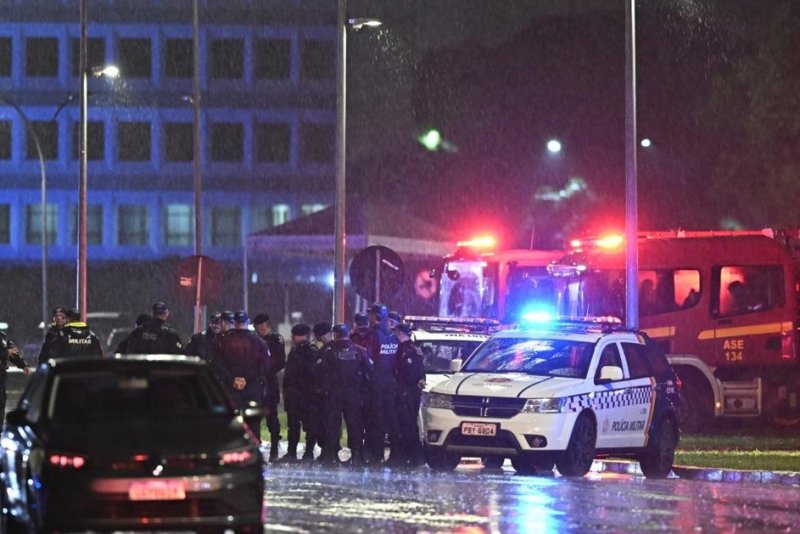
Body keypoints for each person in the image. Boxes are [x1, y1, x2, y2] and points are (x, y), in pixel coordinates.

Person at [319, 324, 372, 466]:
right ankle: (356, 456)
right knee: (355, 425)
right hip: (354, 394)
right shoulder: (360, 351)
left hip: (334, 394)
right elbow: (370, 370)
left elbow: (318, 371)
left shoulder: (329, 351)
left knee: (333, 425)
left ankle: (331, 456)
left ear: (335, 335)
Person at [214, 311, 271, 442]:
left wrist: (232, 379)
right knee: (253, 422)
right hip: (252, 387)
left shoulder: (223, 341)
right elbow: (264, 366)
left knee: (230, 420)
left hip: (230, 387)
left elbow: (217, 365)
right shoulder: (259, 341)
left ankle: (231, 451)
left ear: (234, 322)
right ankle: (253, 451)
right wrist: (248, 379)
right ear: (247, 322)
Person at [362, 303, 399, 465]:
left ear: (374, 317)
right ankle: (396, 455)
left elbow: (366, 357)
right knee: (389, 419)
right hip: (390, 383)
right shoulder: (393, 334)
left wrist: (369, 373)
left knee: (374, 420)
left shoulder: (372, 335)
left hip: (375, 384)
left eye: (370, 314)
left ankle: (375, 455)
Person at [390, 322, 426, 467]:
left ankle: (410, 457)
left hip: (407, 394)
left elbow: (410, 374)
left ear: (400, 333)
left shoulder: (407, 351)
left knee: (406, 426)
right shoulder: (414, 348)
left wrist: (403, 391)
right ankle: (410, 457)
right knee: (408, 425)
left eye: (396, 333)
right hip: (408, 394)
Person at [253, 313, 286, 462]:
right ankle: (255, 449)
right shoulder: (253, 339)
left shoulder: (275, 339)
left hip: (269, 381)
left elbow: (279, 361)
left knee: (271, 416)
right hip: (255, 381)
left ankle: (274, 449)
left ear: (265, 325)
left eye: (260, 326)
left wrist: (264, 370)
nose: (258, 329)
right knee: (254, 417)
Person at [280, 323, 315, 463]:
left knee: (308, 426)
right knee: (294, 426)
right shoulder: (295, 351)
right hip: (295, 395)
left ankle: (307, 454)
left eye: (294, 335)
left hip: (306, 395)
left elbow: (312, 375)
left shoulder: (311, 351)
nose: (292, 338)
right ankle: (293, 453)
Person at [0, 330, 30, 428]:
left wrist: (23, 365)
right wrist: (5, 352)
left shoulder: (3, 336)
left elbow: (14, 353)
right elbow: (8, 352)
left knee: (1, 402)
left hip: (1, 375)